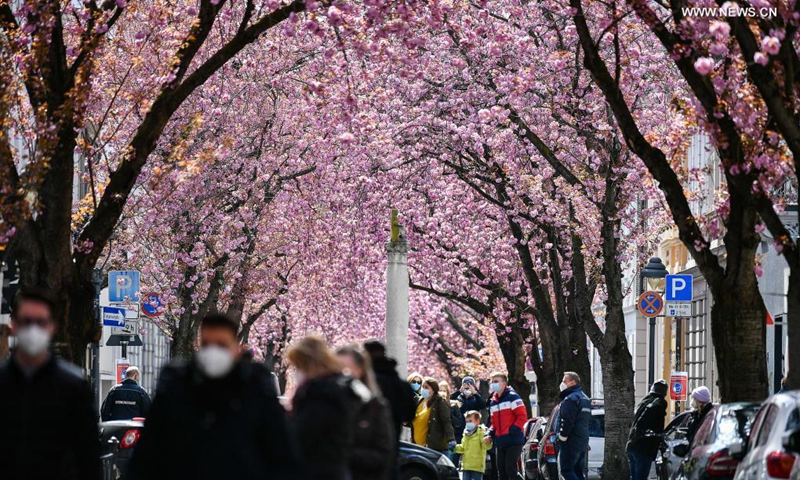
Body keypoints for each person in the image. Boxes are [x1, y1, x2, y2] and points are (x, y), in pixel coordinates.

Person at [131, 313, 295, 480]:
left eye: (222, 345)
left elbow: (281, 456)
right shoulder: (176, 388)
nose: (214, 352)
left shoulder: (256, 390)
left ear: (236, 349)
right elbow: (147, 456)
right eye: (207, 345)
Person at [0, 288, 100, 480]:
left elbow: (87, 457)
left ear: (52, 327)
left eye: (40, 322)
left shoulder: (73, 386)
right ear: (14, 325)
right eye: (26, 321)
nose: (33, 329)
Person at [288, 336, 363, 480]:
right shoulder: (334, 390)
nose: (297, 372)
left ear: (311, 364)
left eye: (299, 366)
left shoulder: (321, 395)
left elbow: (301, 438)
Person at [336, 345, 395, 480]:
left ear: (360, 370)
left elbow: (383, 455)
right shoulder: (323, 404)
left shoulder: (374, 407)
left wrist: (344, 453)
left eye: (345, 368)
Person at [363, 341, 416, 480]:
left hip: (365, 447)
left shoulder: (367, 382)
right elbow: (410, 414)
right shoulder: (402, 385)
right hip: (393, 443)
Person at [484, 371, 527, 480]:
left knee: (510, 470)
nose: (493, 384)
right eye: (492, 382)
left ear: (504, 383)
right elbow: (494, 423)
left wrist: (512, 431)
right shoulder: (493, 402)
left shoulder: (513, 397)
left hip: (513, 440)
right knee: (502, 473)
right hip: (500, 441)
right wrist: (489, 434)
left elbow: (522, 417)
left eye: (496, 381)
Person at [626, 380, 668, 480]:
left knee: (634, 477)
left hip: (632, 443)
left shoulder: (644, 401)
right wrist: (657, 435)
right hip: (644, 447)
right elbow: (655, 425)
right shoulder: (659, 402)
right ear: (664, 393)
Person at [555, 371, 591, 480]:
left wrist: (562, 437)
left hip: (571, 441)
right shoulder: (585, 398)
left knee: (566, 470)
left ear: (572, 382)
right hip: (582, 440)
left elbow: (567, 421)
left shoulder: (570, 399)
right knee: (578, 471)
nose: (562, 383)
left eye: (564, 381)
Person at [411, 377, 456, 453]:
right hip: (417, 446)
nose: (423, 389)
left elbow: (446, 421)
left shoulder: (440, 402)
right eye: (423, 387)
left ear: (433, 389)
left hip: (432, 447)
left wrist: (451, 439)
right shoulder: (420, 401)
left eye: (426, 387)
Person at [455, 410, 493, 480]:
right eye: (467, 421)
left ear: (477, 421)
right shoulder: (466, 434)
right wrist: (454, 448)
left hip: (477, 467)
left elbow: (486, 446)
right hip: (466, 466)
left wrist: (488, 441)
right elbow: (463, 448)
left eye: (470, 421)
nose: (468, 423)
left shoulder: (481, 432)